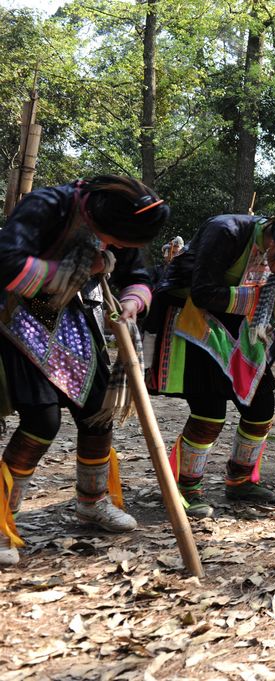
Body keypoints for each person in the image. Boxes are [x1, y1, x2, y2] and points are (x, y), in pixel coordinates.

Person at [0, 176, 170, 567]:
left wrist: (131, 303)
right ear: (97, 221)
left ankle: (92, 503)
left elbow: (138, 276)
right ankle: (2, 519)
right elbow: (6, 262)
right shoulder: (48, 205)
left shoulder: (121, 224)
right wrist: (79, 269)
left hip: (70, 322)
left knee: (98, 413)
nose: (119, 250)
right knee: (41, 421)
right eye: (116, 242)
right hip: (14, 318)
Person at [147, 213, 275, 517]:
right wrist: (262, 298)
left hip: (241, 327)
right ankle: (185, 486)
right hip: (196, 321)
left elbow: (270, 293)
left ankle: (241, 478)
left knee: (261, 409)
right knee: (210, 414)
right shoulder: (226, 232)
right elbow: (204, 292)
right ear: (274, 249)